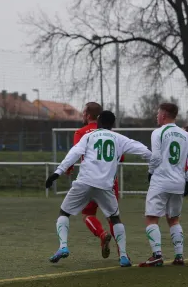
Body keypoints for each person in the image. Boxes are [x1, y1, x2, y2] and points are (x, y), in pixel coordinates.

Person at [45, 110, 152, 268]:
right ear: (112, 124)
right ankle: (123, 256)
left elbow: (74, 153)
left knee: (64, 213)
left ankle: (63, 246)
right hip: (105, 186)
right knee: (115, 219)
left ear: (99, 121)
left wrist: (57, 172)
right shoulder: (120, 139)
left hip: (84, 182)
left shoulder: (88, 136)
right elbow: (144, 151)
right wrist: (153, 167)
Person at [140, 103, 188, 267]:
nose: (156, 116)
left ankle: (157, 255)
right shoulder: (186, 135)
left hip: (161, 181)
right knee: (174, 219)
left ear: (164, 115)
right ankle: (179, 256)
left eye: (158, 113)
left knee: (152, 218)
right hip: (178, 182)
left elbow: (156, 156)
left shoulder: (158, 132)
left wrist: (151, 172)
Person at [66, 102, 125, 259]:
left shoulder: (81, 133)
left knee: (87, 214)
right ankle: (122, 253)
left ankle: (101, 234)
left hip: (89, 180)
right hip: (110, 181)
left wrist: (69, 167)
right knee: (113, 217)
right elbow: (122, 157)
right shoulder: (112, 134)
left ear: (87, 114)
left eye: (83, 113)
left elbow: (76, 152)